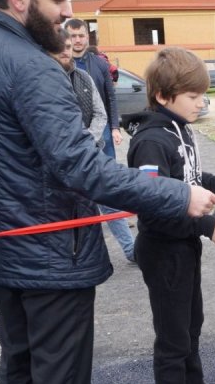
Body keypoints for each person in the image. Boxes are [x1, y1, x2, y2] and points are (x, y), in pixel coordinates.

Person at [0, 0, 215, 383]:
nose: (68, 12)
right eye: (57, 0)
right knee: (58, 372)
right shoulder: (32, 67)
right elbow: (82, 167)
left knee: (19, 365)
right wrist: (179, 193)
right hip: (51, 252)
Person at [122, 47, 215, 383]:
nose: (201, 102)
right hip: (163, 250)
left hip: (184, 246)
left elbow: (192, 179)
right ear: (163, 95)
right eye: (193, 95)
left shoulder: (179, 128)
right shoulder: (151, 142)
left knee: (190, 331)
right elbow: (153, 208)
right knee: (173, 341)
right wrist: (208, 224)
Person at [66, 17, 137, 263]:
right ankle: (84, 256)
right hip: (69, 146)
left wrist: (115, 127)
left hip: (102, 136)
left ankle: (131, 250)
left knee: (106, 192)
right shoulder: (55, 67)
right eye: (72, 36)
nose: (77, 40)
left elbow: (109, 99)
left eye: (81, 35)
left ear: (87, 36)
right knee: (79, 199)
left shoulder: (99, 64)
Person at [53, 29, 107, 146]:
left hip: (89, 149)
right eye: (59, 47)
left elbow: (100, 114)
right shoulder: (43, 79)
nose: (65, 51)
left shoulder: (84, 77)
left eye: (68, 47)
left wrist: (86, 141)